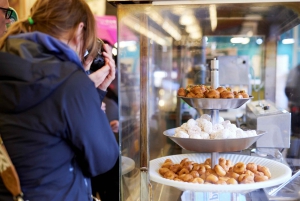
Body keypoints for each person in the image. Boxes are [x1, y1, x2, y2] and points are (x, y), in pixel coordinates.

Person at [0, 0, 118, 201]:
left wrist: (92, 91)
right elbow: (103, 159)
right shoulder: (70, 82)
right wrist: (85, 87)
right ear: (80, 30)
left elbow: (50, 130)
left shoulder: (9, 61)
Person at [285, 64, 300, 134]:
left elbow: (288, 90)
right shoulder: (296, 70)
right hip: (296, 108)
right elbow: (289, 90)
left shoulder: (294, 70)